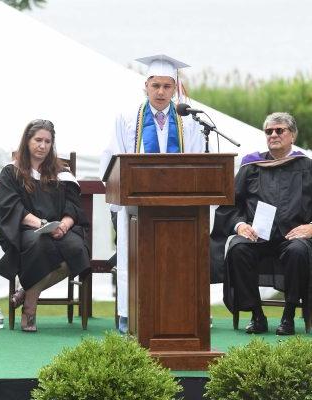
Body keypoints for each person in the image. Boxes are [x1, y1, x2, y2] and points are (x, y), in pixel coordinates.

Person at [210, 112, 312, 335]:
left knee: (298, 251)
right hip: (257, 237)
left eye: (279, 130)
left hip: (294, 237)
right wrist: (240, 226)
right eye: (269, 131)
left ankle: (289, 315)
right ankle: (257, 315)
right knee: (237, 248)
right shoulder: (252, 166)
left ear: (292, 135)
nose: (273, 134)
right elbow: (231, 206)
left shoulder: (308, 167)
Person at [99, 54, 205, 333]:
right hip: (136, 209)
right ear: (145, 86)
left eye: (167, 87)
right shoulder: (126, 119)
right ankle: (129, 319)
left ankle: (178, 318)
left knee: (176, 263)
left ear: (175, 89)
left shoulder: (189, 122)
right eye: (155, 86)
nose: (161, 92)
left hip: (179, 210)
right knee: (133, 262)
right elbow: (111, 162)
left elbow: (197, 162)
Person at [0, 119, 90, 332]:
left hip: (60, 230)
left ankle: (26, 293)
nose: (42, 145)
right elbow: (9, 208)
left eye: (47, 141)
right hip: (25, 230)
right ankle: (30, 310)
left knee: (76, 249)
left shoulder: (62, 172)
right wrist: (43, 224)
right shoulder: (12, 172)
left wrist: (64, 225)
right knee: (38, 243)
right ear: (27, 141)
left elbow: (73, 206)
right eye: (38, 140)